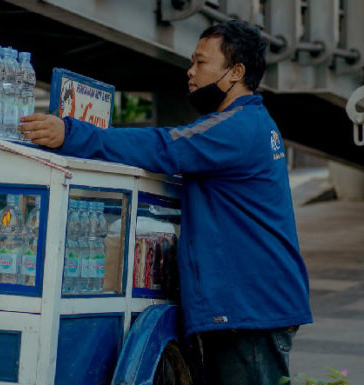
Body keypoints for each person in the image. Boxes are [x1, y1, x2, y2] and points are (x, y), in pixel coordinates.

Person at [20, 20, 312, 385]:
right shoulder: (250, 122)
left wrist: (72, 133)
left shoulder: (236, 126)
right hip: (252, 306)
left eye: (201, 62)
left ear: (236, 72)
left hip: (249, 310)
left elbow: (165, 145)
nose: (190, 71)